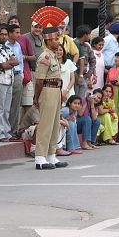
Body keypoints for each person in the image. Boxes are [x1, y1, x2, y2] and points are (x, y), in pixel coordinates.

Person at [34, 26, 68, 170]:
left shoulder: (53, 56)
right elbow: (39, 80)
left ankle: (51, 154)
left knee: (54, 124)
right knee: (45, 125)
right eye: (55, 39)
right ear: (48, 41)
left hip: (55, 90)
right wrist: (37, 97)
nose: (58, 42)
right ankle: (40, 156)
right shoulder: (45, 57)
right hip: (47, 90)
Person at [0, 24, 18, 142]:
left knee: (6, 109)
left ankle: (6, 131)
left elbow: (16, 61)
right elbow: (3, 65)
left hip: (9, 80)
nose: (3, 36)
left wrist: (9, 63)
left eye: (5, 34)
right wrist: (9, 63)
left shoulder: (7, 48)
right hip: (0, 80)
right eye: (1, 34)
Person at [5, 24, 24, 137]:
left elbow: (20, 61)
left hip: (17, 75)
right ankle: (4, 130)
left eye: (19, 32)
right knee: (5, 104)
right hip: (7, 74)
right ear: (10, 33)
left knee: (15, 105)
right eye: (16, 32)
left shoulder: (18, 45)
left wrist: (21, 75)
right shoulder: (5, 45)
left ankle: (12, 130)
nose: (19, 34)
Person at [73, 25, 96, 98]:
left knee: (81, 99)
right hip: (73, 76)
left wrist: (90, 72)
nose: (89, 36)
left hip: (84, 76)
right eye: (89, 34)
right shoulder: (72, 44)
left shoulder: (87, 46)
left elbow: (93, 60)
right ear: (85, 35)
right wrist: (77, 76)